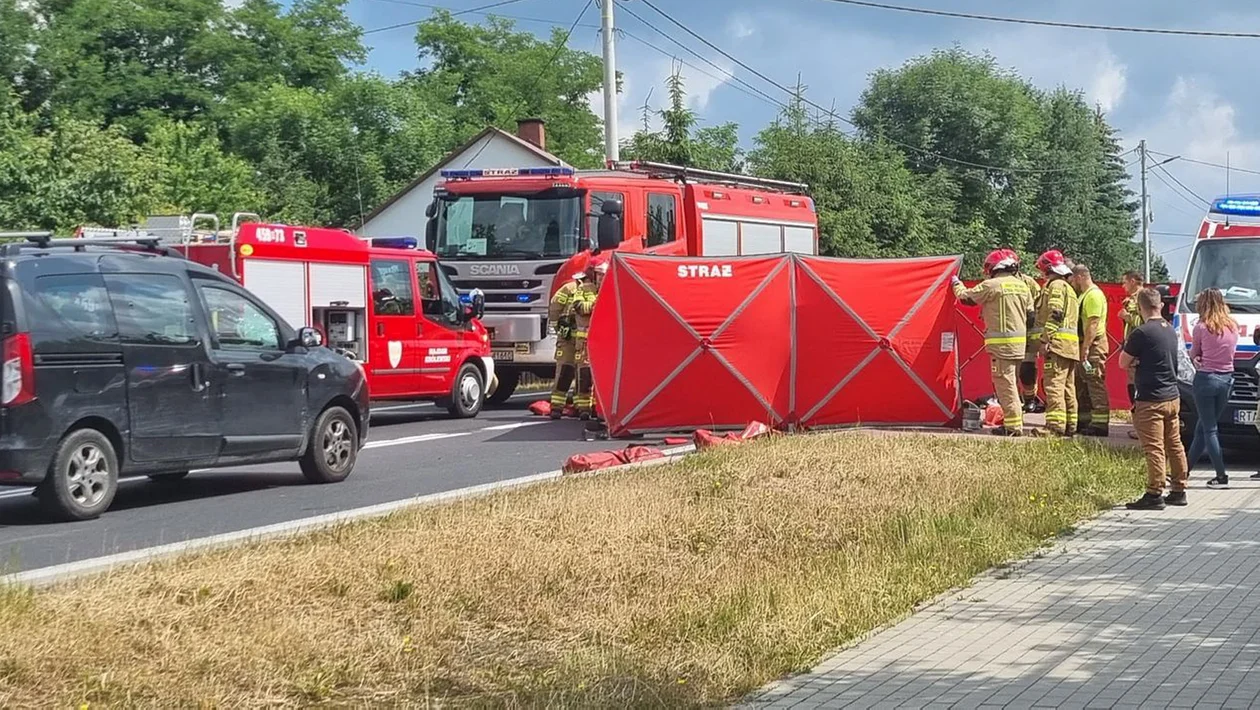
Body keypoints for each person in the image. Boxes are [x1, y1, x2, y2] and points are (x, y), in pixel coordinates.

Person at [952, 249, 1035, 436]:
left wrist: (956, 284)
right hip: (1019, 345)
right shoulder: (1023, 286)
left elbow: (966, 298)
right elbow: (1031, 316)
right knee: (1013, 383)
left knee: (1005, 384)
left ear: (995, 267)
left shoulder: (992, 285)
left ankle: (1013, 427)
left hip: (1002, 345)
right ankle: (1015, 422)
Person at [1121, 287, 1189, 510]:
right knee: (1175, 444)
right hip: (1172, 395)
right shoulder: (1170, 329)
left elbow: (1123, 362)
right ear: (1160, 305)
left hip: (1151, 398)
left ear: (1140, 307)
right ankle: (1179, 489)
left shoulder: (1141, 332)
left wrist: (1136, 361)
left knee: (1154, 447)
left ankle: (1154, 493)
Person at [1186, 289, 1238, 488]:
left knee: (1209, 429)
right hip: (1227, 380)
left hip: (1206, 378)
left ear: (1204, 304)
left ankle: (1221, 475)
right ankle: (1185, 470)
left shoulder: (1201, 327)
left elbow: (1194, 353)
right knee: (1203, 427)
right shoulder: (1233, 326)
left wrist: (1197, 358)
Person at [1033, 250, 1080, 437]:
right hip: (1069, 346)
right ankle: (1071, 425)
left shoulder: (1056, 286)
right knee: (1068, 387)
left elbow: (1056, 314)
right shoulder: (1069, 287)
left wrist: (1045, 339)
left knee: (1054, 385)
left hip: (1057, 345)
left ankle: (1055, 426)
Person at [1072, 264, 1111, 436]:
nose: (1073, 283)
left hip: (1093, 345)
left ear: (1079, 277)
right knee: (1082, 384)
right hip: (1085, 344)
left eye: (1074, 279)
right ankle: (1084, 420)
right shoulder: (1084, 295)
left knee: (1095, 383)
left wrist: (1086, 348)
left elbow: (1092, 324)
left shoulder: (1093, 295)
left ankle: (1100, 424)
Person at [570, 257, 608, 420]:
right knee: (585, 375)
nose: (601, 279)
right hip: (585, 341)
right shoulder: (584, 289)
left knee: (603, 376)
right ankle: (584, 409)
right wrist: (594, 306)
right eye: (599, 275)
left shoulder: (611, 289)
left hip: (605, 341)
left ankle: (598, 407)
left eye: (604, 276)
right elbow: (578, 307)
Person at [546, 271, 585, 419]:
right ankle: (556, 407)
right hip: (568, 339)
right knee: (565, 371)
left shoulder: (595, 290)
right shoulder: (569, 289)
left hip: (584, 339)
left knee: (584, 375)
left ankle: (581, 407)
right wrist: (560, 330)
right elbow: (555, 308)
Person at [1017, 263, 1044, 413]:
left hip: (1028, 330)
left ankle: (1030, 399)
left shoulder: (1029, 283)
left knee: (1026, 369)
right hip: (1009, 331)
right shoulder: (996, 281)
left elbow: (1039, 307)